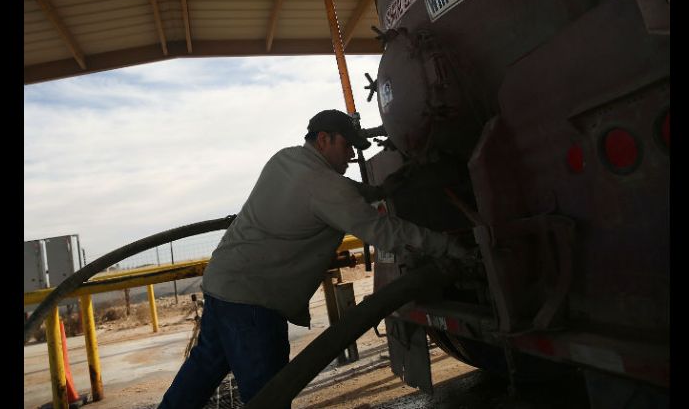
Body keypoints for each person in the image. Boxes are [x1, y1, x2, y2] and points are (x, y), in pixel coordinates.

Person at [158, 109, 474, 409]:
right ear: (323, 139)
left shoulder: (286, 159)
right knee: (269, 395)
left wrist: (377, 190)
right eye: (347, 145)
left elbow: (336, 190)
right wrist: (447, 246)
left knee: (203, 369)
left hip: (222, 285)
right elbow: (383, 230)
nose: (351, 155)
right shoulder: (324, 186)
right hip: (253, 303)